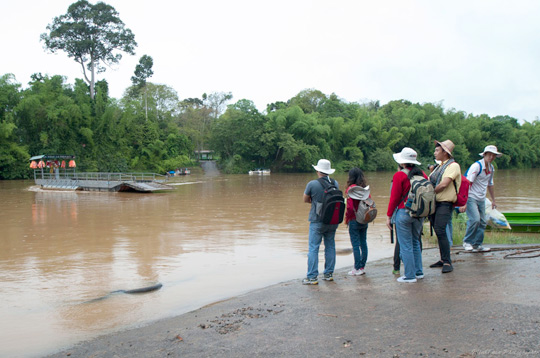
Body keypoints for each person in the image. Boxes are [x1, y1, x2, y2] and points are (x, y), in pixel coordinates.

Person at [386, 148, 426, 283]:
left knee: (405, 245)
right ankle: (418, 272)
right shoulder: (422, 174)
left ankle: (409, 275)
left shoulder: (399, 176)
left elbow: (395, 198)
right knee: (415, 242)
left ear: (402, 162)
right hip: (419, 213)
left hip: (404, 212)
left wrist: (389, 216)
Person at [302, 159, 339, 285]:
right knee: (330, 246)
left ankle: (312, 277)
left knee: (313, 248)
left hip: (317, 220)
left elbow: (305, 199)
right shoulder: (335, 183)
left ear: (318, 170)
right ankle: (328, 274)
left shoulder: (312, 184)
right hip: (333, 220)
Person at [428, 140, 461, 273]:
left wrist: (427, 193)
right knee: (438, 230)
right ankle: (443, 259)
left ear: (444, 152)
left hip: (445, 203)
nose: (435, 153)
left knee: (440, 229)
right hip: (436, 203)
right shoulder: (440, 166)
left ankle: (447, 262)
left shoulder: (453, 166)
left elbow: (443, 184)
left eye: (437, 150)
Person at [462, 145, 503, 252]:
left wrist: (493, 200)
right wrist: (464, 201)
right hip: (471, 197)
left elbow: (490, 184)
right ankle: (467, 241)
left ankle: (477, 244)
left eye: (493, 155)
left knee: (483, 222)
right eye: (489, 154)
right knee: (475, 219)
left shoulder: (491, 168)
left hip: (481, 198)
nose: (491, 157)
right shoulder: (476, 166)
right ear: (484, 155)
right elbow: (468, 183)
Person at [345, 168, 371, 276]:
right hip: (364, 219)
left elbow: (350, 208)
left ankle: (356, 268)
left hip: (354, 220)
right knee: (363, 243)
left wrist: (347, 219)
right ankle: (362, 267)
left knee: (355, 244)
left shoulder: (350, 189)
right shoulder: (364, 189)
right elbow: (370, 203)